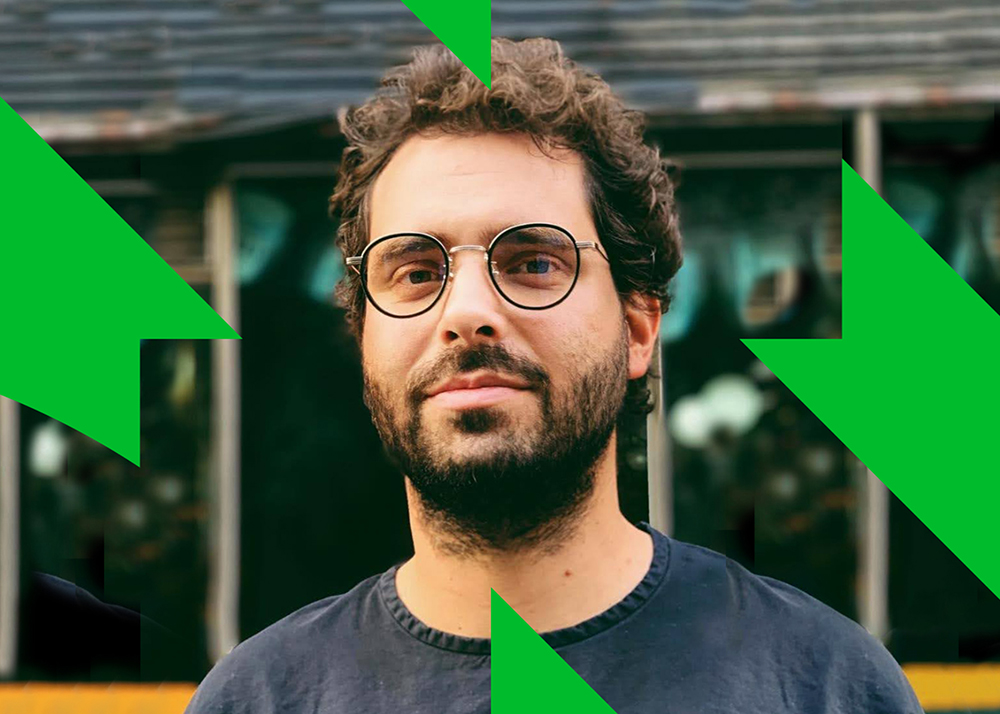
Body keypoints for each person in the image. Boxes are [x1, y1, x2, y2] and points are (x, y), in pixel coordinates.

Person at [184, 37, 923, 713]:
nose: (467, 312)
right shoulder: (257, 700)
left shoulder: (823, 685)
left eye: (534, 263)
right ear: (364, 334)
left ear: (638, 329)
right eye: (414, 270)